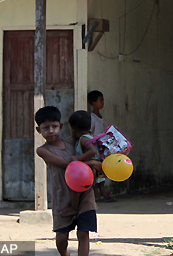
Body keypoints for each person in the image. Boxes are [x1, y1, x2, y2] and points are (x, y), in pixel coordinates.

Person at [35, 106, 100, 256]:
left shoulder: (73, 141)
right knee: (62, 237)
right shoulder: (43, 150)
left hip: (84, 195)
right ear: (39, 130)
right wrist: (92, 164)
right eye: (46, 128)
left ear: (61, 126)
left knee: (83, 234)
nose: (51, 131)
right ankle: (65, 254)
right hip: (62, 197)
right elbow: (69, 165)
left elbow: (91, 145)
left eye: (54, 126)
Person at [60, 111, 100, 217]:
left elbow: (93, 151)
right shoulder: (89, 136)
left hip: (89, 167)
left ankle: (74, 207)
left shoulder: (84, 138)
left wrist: (78, 158)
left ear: (73, 128)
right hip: (91, 167)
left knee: (75, 187)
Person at [88, 90, 115, 203]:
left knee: (102, 170)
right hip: (95, 147)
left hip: (101, 147)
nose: (103, 102)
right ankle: (97, 193)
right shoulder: (92, 117)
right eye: (101, 100)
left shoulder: (100, 116)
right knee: (96, 170)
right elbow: (90, 133)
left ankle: (103, 191)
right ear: (94, 103)